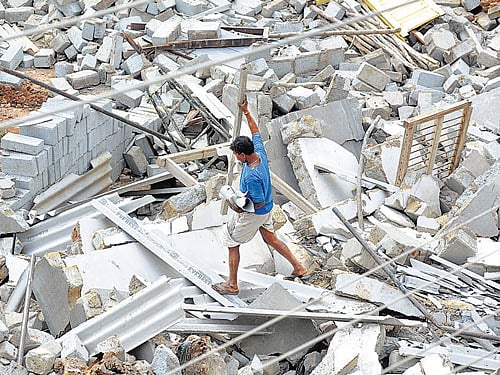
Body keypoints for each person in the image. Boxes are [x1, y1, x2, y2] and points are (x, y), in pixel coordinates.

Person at [211, 98, 309, 295]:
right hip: (268, 210)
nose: (236, 158)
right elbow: (255, 131)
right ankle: (299, 268)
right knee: (271, 239)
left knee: (231, 241)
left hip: (257, 211)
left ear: (243, 154)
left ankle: (232, 285)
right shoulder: (259, 153)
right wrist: (246, 111)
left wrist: (236, 206)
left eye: (236, 155)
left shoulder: (253, 176)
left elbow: (258, 202)